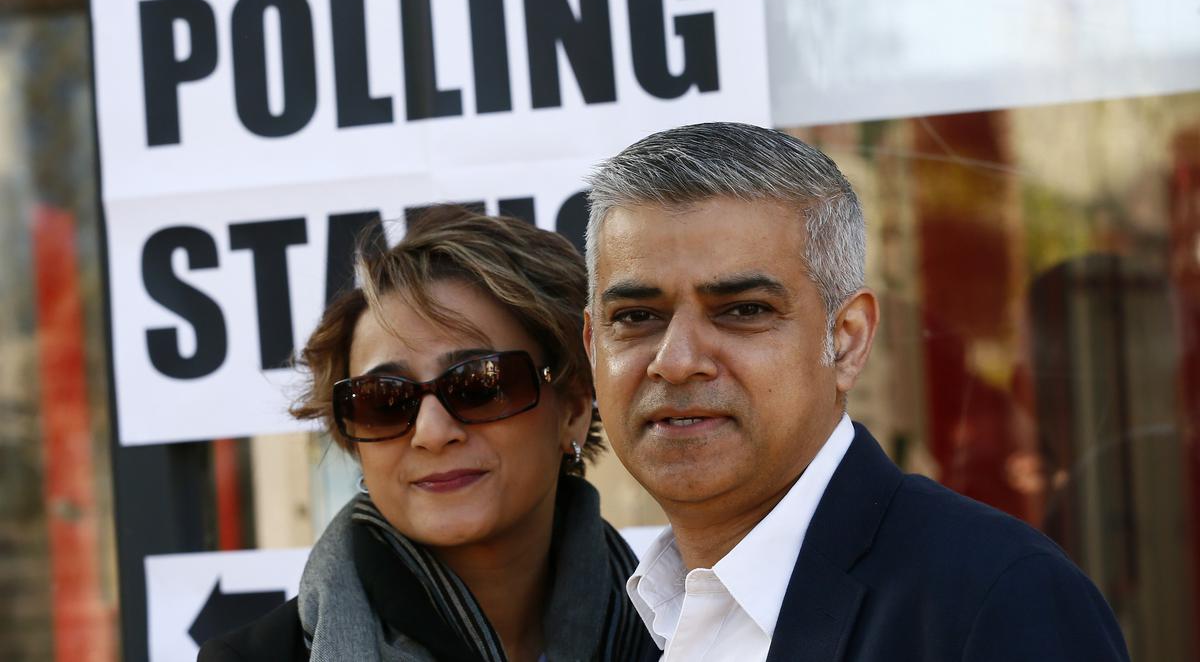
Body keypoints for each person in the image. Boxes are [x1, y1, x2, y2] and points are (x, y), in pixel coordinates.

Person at [581, 122, 1130, 661]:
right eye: (635, 316)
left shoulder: (998, 600)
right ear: (591, 345)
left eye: (743, 311)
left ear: (846, 341)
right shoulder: (620, 624)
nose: (676, 362)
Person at [199, 205, 657, 662]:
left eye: (481, 384)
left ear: (573, 409)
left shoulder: (685, 635)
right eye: (383, 400)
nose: (432, 432)